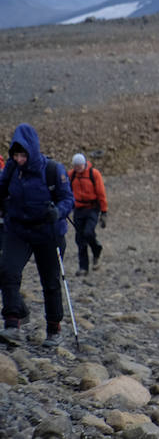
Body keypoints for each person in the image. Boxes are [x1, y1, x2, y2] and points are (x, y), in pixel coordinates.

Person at [0, 125, 74, 348]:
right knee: (7, 271)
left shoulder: (53, 170)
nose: (19, 159)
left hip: (48, 232)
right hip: (18, 230)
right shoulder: (11, 169)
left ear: (32, 152)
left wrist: (58, 212)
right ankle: (13, 322)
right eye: (15, 154)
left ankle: (54, 328)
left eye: (23, 155)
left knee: (50, 281)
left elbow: (67, 199)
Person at [67, 153, 107, 276]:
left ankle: (96, 250)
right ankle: (83, 267)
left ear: (84, 164)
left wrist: (104, 212)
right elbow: (66, 192)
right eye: (75, 166)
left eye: (79, 166)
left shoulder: (94, 174)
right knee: (80, 239)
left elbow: (101, 193)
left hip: (92, 208)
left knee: (88, 232)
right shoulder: (71, 175)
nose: (78, 168)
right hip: (78, 209)